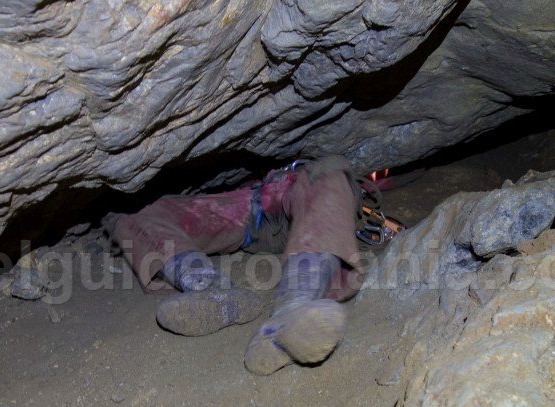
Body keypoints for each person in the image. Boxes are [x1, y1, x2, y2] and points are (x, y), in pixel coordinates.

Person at [109, 155, 366, 375]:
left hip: (304, 197)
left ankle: (291, 311)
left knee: (330, 170)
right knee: (130, 213)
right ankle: (212, 288)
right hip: (248, 205)